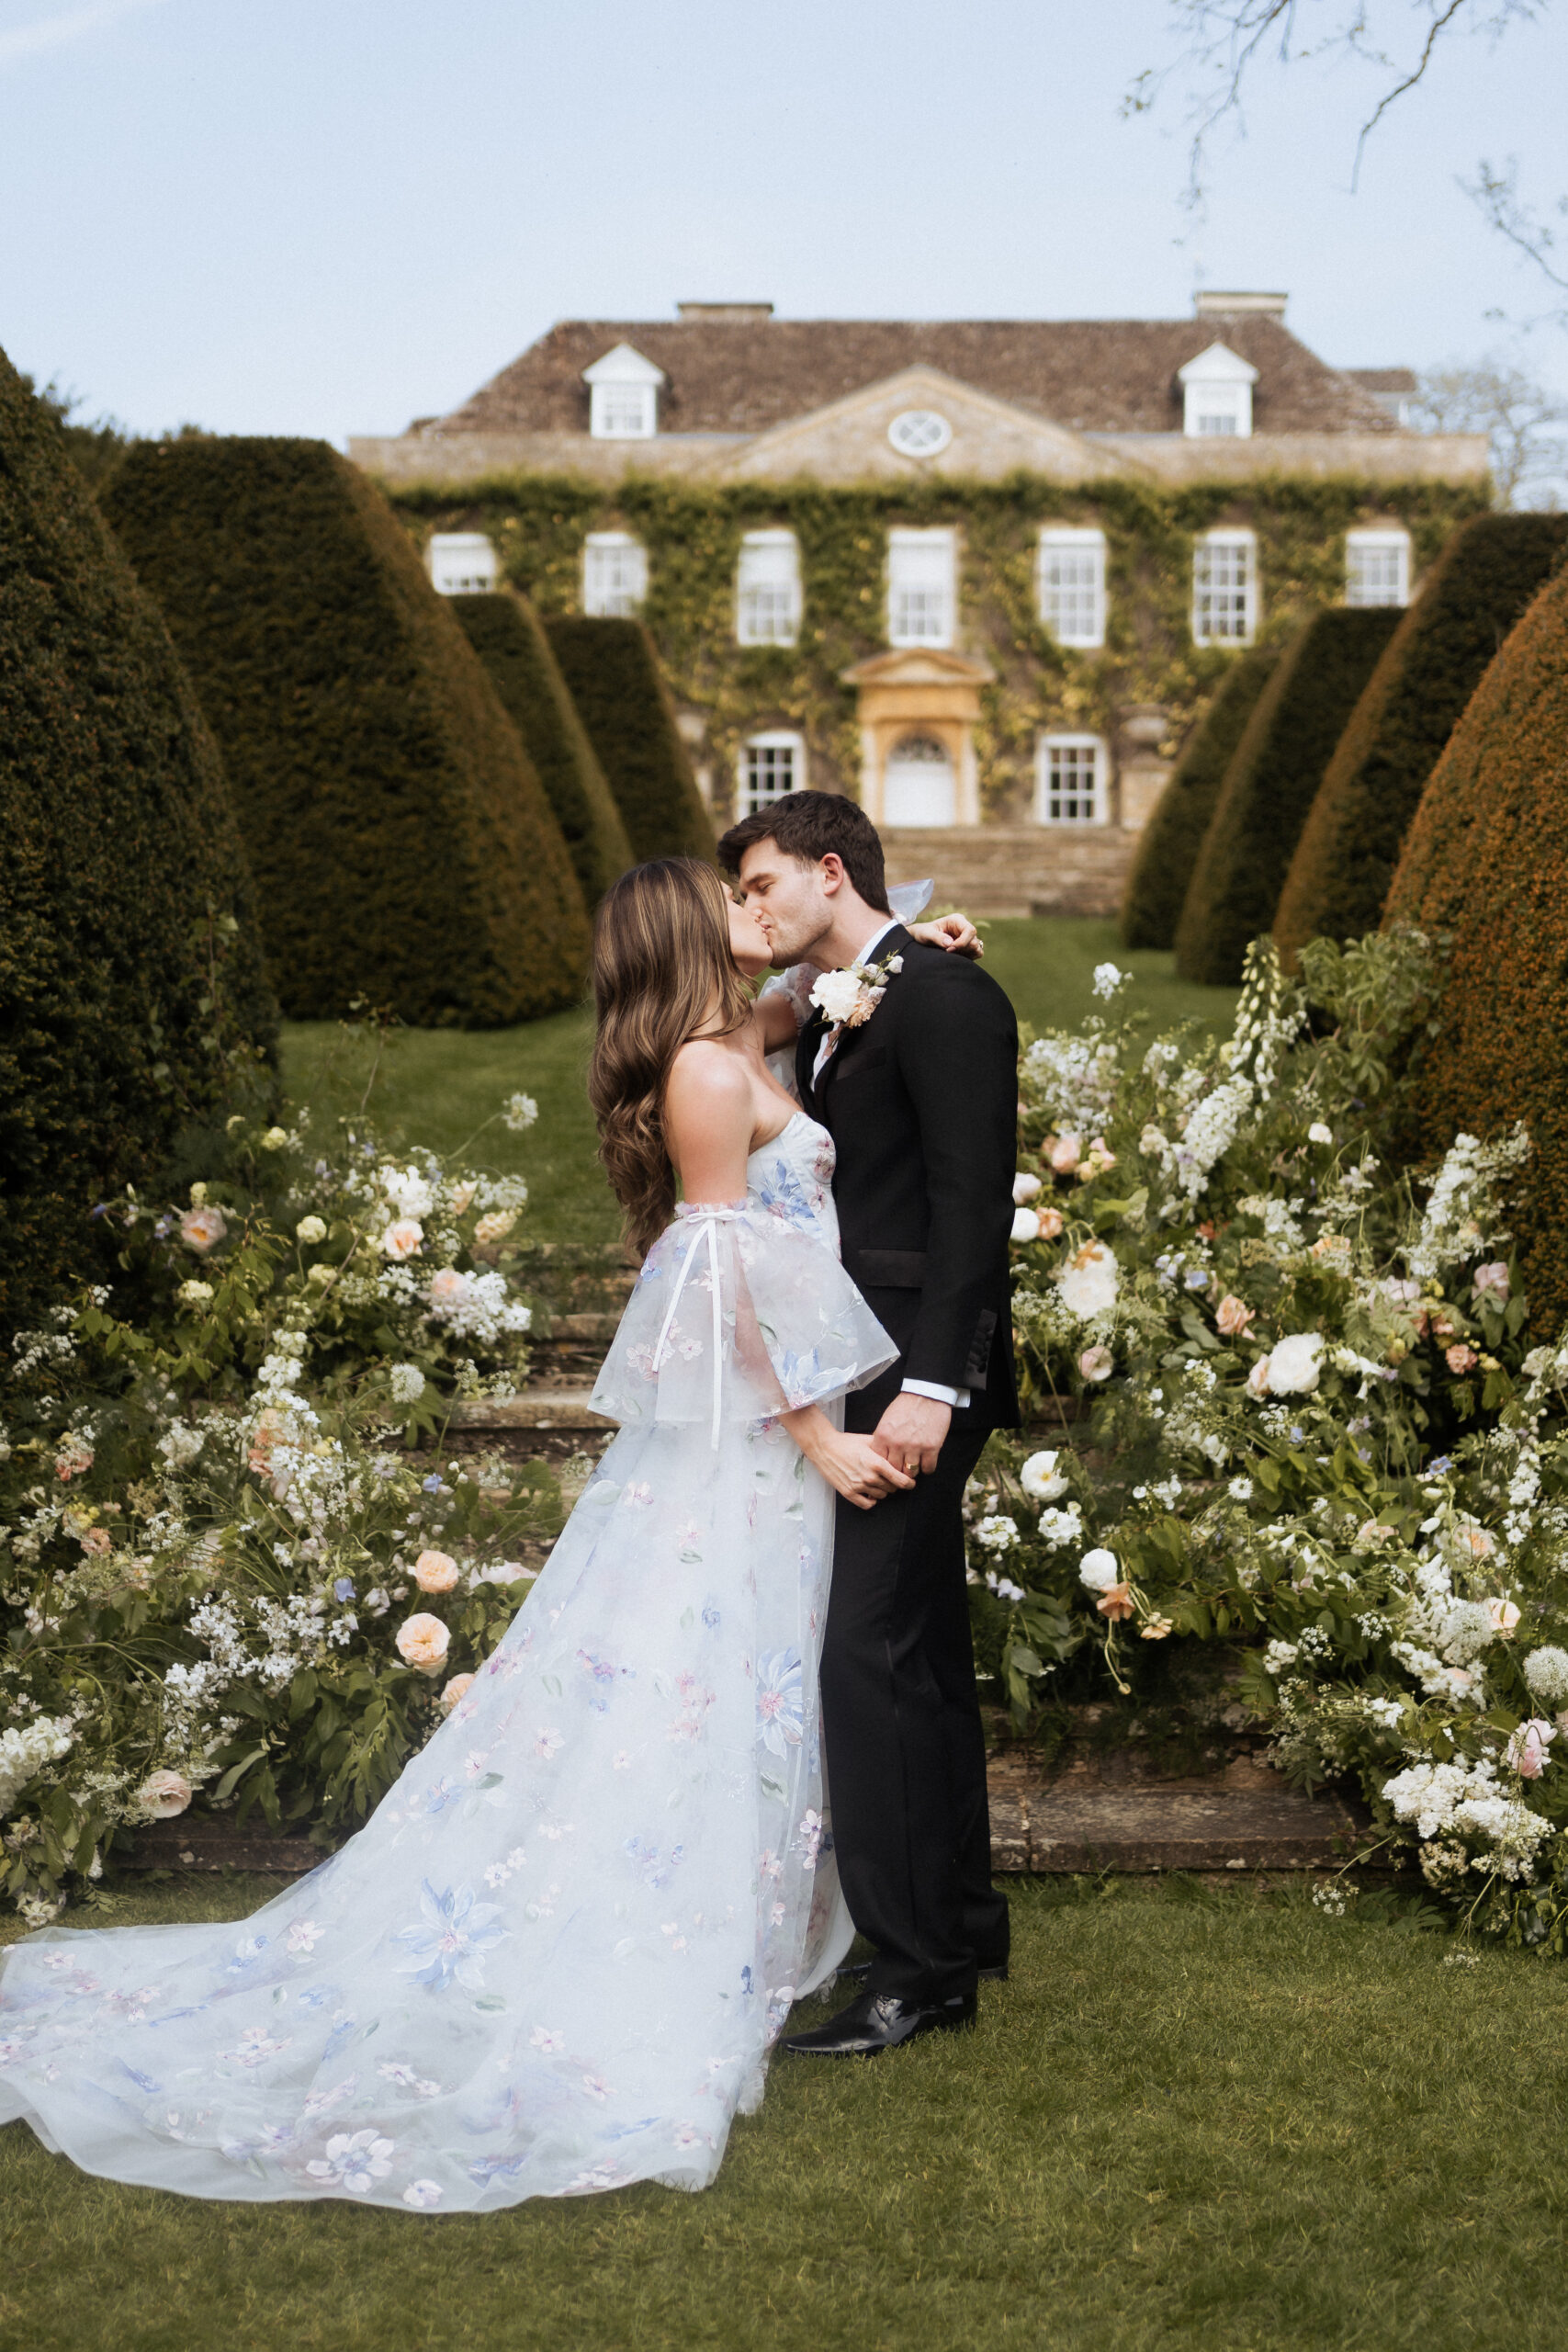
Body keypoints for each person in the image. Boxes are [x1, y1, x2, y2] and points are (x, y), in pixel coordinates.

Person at [0, 857, 984, 2210]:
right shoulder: (706, 1075)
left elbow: (824, 983)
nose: (757, 906)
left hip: (771, 1441)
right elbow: (716, 1276)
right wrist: (815, 1428)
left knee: (750, 1672)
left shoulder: (738, 1036)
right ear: (693, 936)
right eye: (733, 897)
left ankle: (731, 1921)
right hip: (751, 1436)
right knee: (693, 1678)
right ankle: (649, 1934)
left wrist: (912, 945)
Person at [718, 793, 1019, 2060]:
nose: (752, 910)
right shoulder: (853, 995)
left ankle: (914, 1972)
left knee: (869, 1656)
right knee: (925, 1650)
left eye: (763, 886)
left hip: (911, 1376)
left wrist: (932, 1390)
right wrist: (760, 957)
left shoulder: (947, 998)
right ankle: (963, 1918)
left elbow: (970, 1209)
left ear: (829, 872)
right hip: (861, 1356)